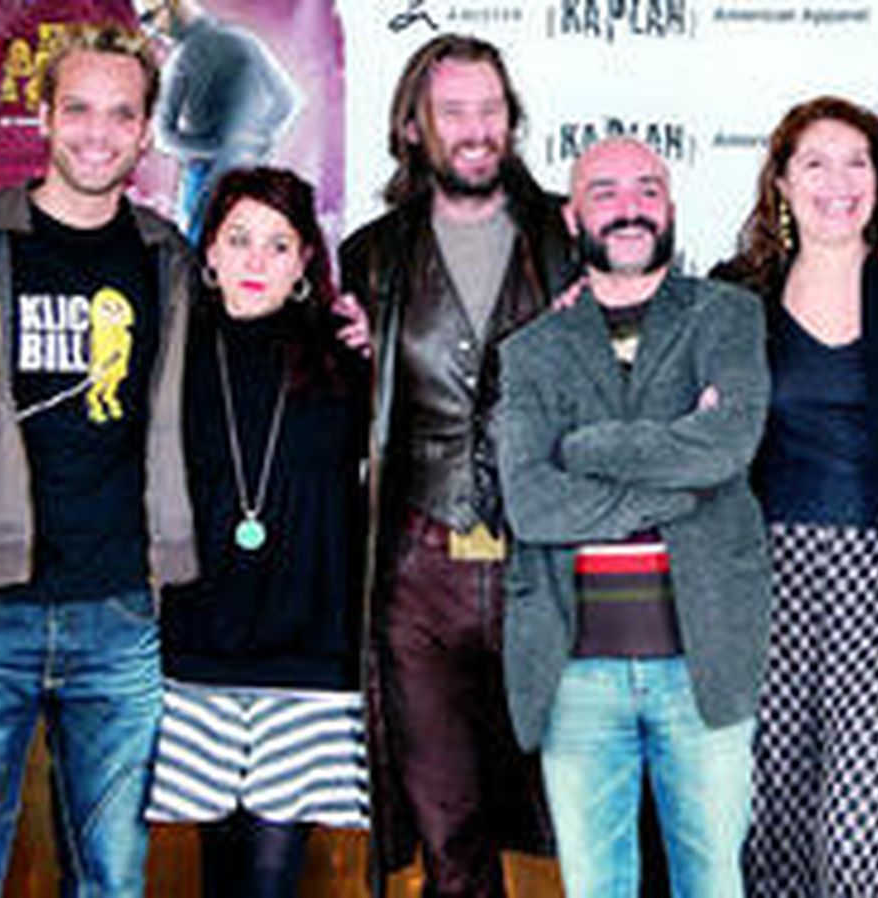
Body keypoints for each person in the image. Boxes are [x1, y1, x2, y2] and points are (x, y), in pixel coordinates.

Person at [0, 25, 195, 895]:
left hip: (122, 616)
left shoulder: (167, 258)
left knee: (112, 880)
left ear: (144, 132)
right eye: (78, 109)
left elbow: (241, 365)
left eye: (121, 114)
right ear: (44, 117)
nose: (98, 132)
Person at [495, 137, 772, 897]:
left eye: (647, 189)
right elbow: (531, 502)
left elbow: (727, 445)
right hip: (574, 670)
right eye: (606, 192)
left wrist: (583, 448)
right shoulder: (531, 350)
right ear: (572, 215)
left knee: (712, 883)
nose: (629, 208)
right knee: (596, 887)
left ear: (671, 205)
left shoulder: (727, 316)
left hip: (704, 662)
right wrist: (678, 481)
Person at [710, 96, 878, 896]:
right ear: (782, 183)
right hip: (764, 585)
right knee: (772, 832)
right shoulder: (733, 297)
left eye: (857, 162)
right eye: (815, 163)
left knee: (859, 839)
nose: (838, 181)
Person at [338, 33, 571, 895]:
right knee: (448, 834)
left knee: (593, 817)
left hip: (549, 570)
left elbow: (677, 315)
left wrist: (865, 257)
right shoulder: (369, 256)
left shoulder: (569, 233)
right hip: (418, 574)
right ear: (413, 127)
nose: (476, 130)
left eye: (490, 109)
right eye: (453, 111)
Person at [143, 167, 370, 897]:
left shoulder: (348, 356)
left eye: (278, 244)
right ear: (208, 250)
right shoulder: (170, 354)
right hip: (198, 648)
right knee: (219, 867)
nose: (255, 260)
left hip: (308, 655)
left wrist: (385, 339)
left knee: (272, 875)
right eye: (239, 239)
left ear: (305, 260)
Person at [134, 0, 299, 242]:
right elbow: (287, 101)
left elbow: (163, 136)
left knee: (196, 250)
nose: (151, 31)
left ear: (175, 6)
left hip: (206, 177)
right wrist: (253, 144)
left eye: (150, 18)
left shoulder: (183, 59)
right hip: (248, 173)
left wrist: (214, 150)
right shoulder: (244, 42)